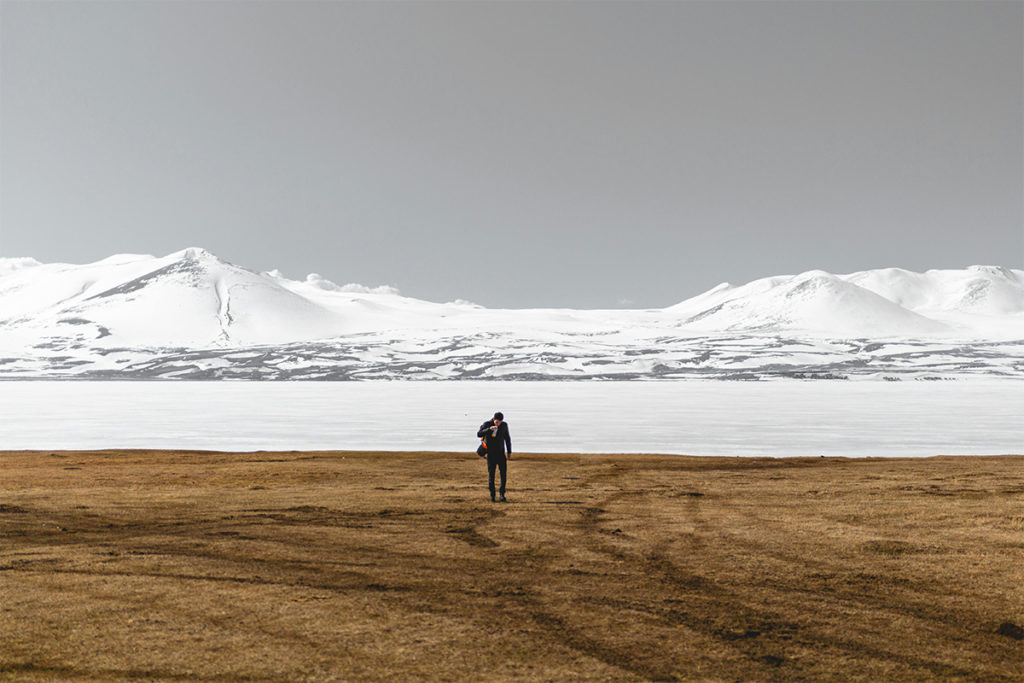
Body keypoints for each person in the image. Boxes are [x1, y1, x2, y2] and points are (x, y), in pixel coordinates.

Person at [477, 412, 512, 502]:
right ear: (493, 419)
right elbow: (479, 434)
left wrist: (509, 451)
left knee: (503, 475)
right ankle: (492, 495)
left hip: (501, 454)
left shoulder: (504, 425)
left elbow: (507, 438)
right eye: (496, 422)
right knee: (491, 475)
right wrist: (489, 429)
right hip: (491, 454)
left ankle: (502, 495)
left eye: (500, 422)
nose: (498, 424)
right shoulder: (487, 424)